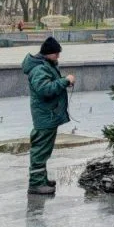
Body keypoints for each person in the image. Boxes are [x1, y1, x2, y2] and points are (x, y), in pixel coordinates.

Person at [22, 37, 74, 196]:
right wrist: (64, 81)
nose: (58, 57)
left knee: (44, 150)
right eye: (56, 54)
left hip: (48, 115)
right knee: (40, 150)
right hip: (45, 116)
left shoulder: (44, 65)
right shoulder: (39, 69)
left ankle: (41, 180)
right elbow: (45, 89)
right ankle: (36, 184)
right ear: (49, 53)